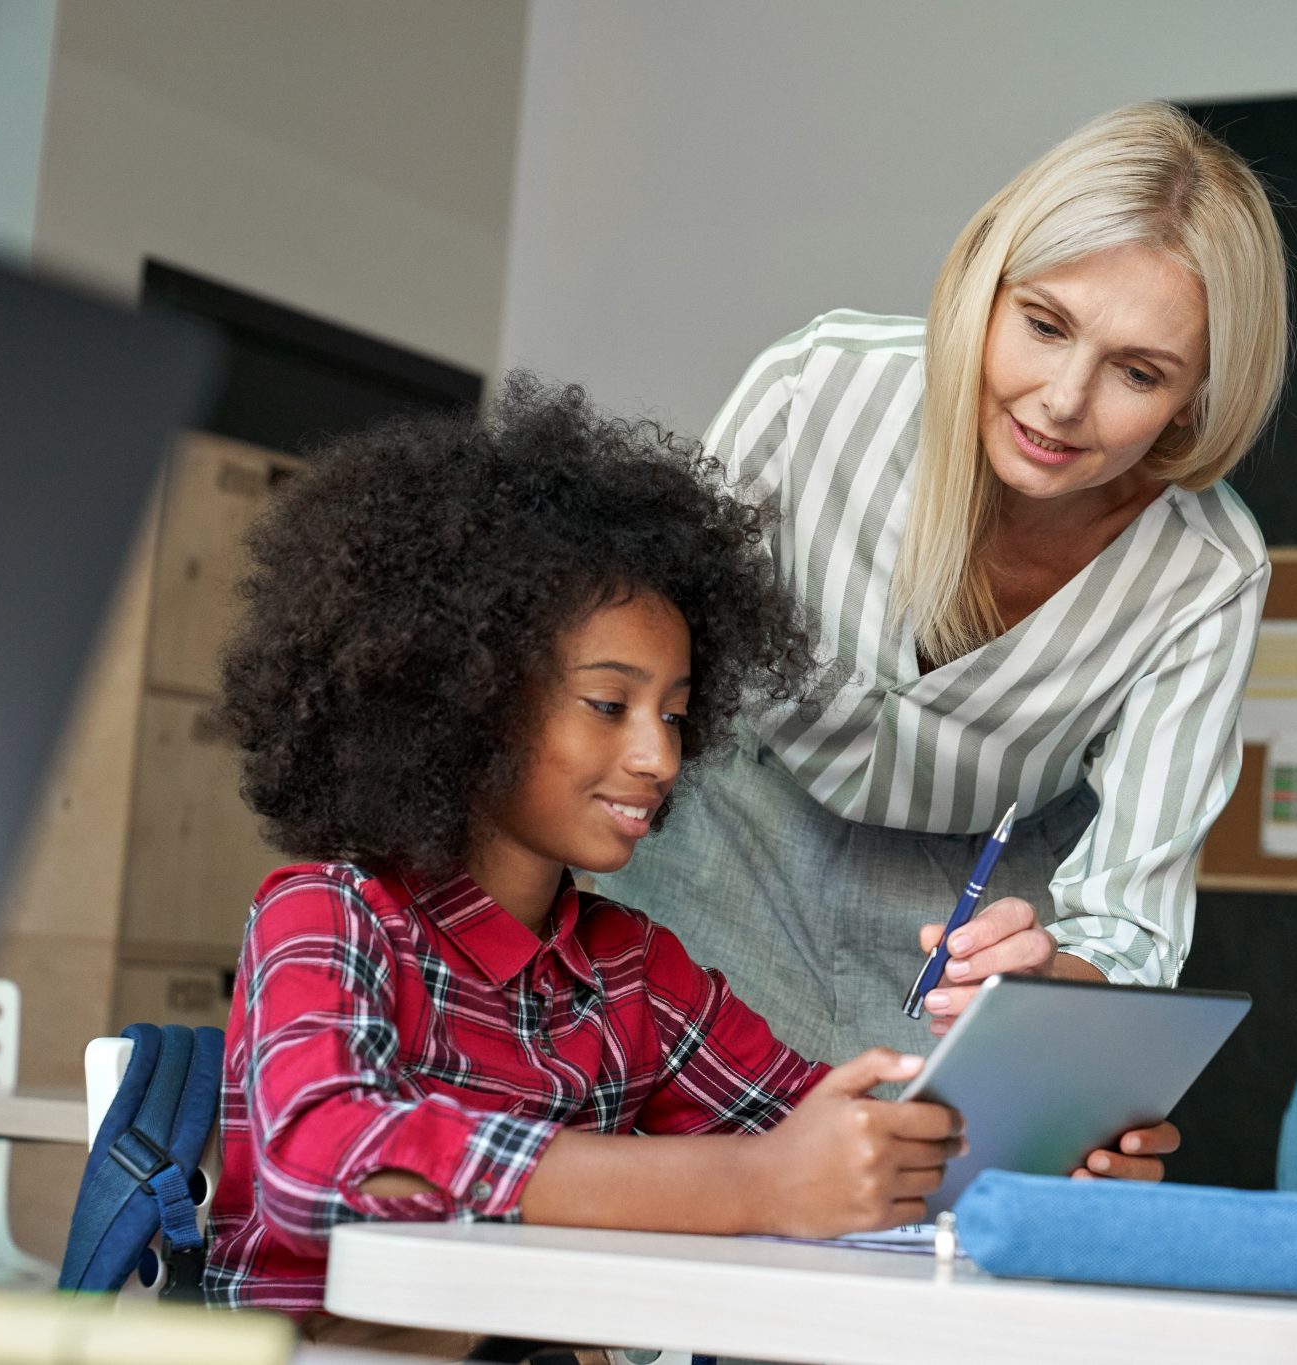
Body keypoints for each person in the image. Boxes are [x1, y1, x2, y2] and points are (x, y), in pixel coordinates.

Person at [596, 103, 1290, 1184]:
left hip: (970, 915)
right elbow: (637, 652)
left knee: (925, 1234)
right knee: (663, 1199)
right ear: (984, 285)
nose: (1062, 403)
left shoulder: (1206, 571)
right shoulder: (813, 390)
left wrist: (1057, 986)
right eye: (1045, 325)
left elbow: (1129, 925)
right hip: (720, 830)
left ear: (1197, 397)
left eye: (1138, 372)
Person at [203, 378, 965, 1333]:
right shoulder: (327, 913)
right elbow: (325, 1163)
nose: (658, 756)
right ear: (464, 695)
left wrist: (1047, 1131)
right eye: (610, 704)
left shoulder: (633, 970)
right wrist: (748, 1184)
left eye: (678, 716)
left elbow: (835, 1141)